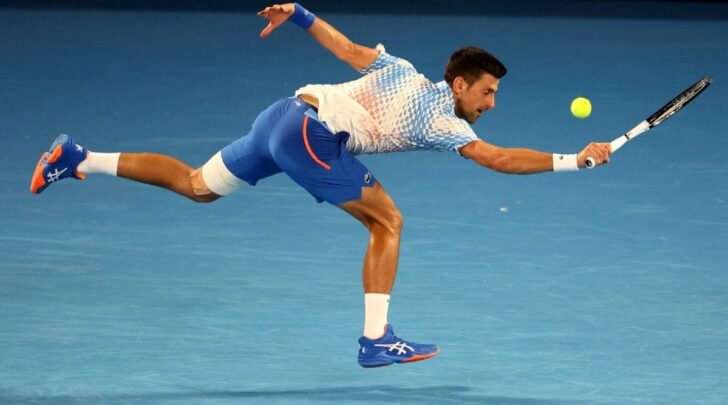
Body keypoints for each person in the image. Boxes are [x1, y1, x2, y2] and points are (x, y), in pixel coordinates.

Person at [29, 3, 611, 368]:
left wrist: (300, 14)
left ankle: (78, 158)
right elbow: (498, 160)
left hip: (281, 115)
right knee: (388, 222)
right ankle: (376, 339)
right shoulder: (441, 121)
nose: (491, 103)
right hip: (312, 135)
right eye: (486, 92)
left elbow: (349, 50)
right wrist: (573, 161)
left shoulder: (403, 70)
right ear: (459, 85)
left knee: (197, 186)